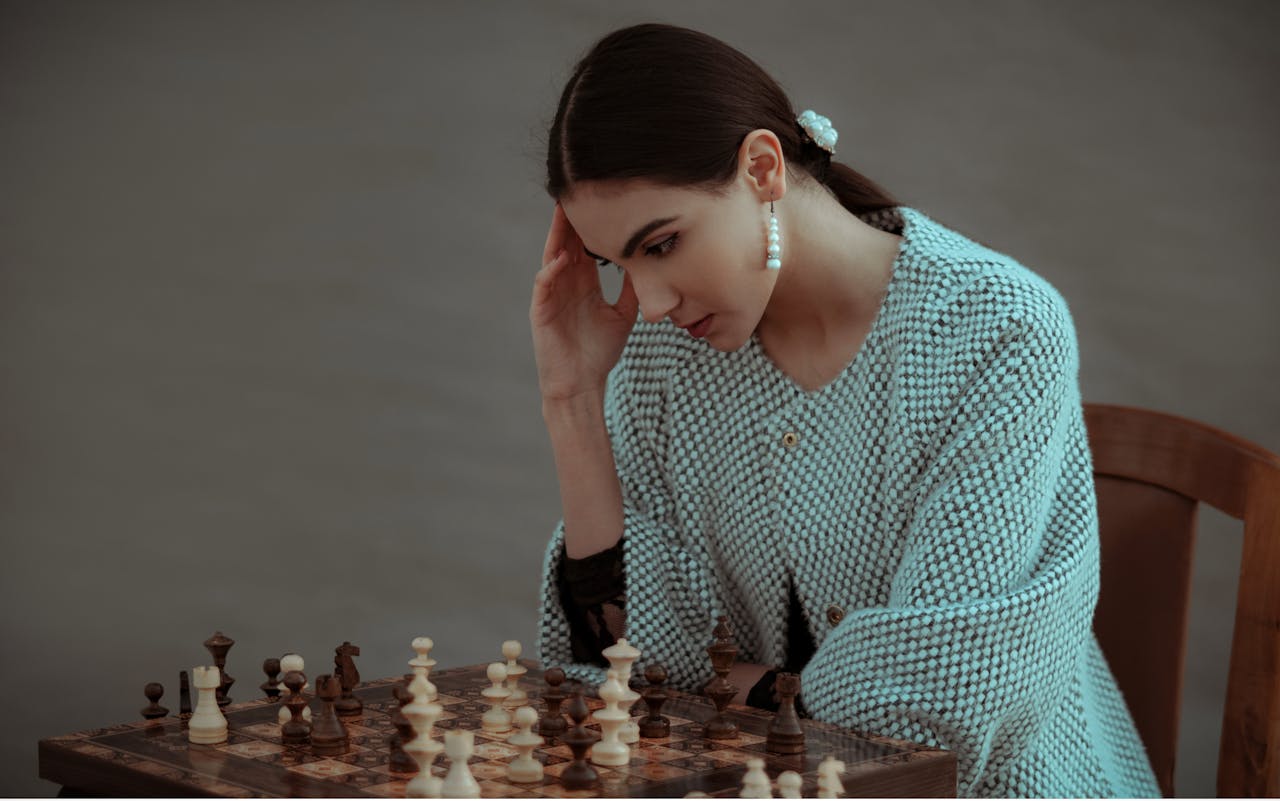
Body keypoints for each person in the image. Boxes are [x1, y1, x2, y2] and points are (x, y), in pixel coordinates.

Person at [528, 22, 1160, 798]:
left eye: (660, 244)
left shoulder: (996, 330)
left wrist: (749, 688)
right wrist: (572, 398)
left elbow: (935, 709)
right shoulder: (669, 356)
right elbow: (623, 660)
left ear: (762, 167)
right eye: (615, 264)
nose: (648, 303)